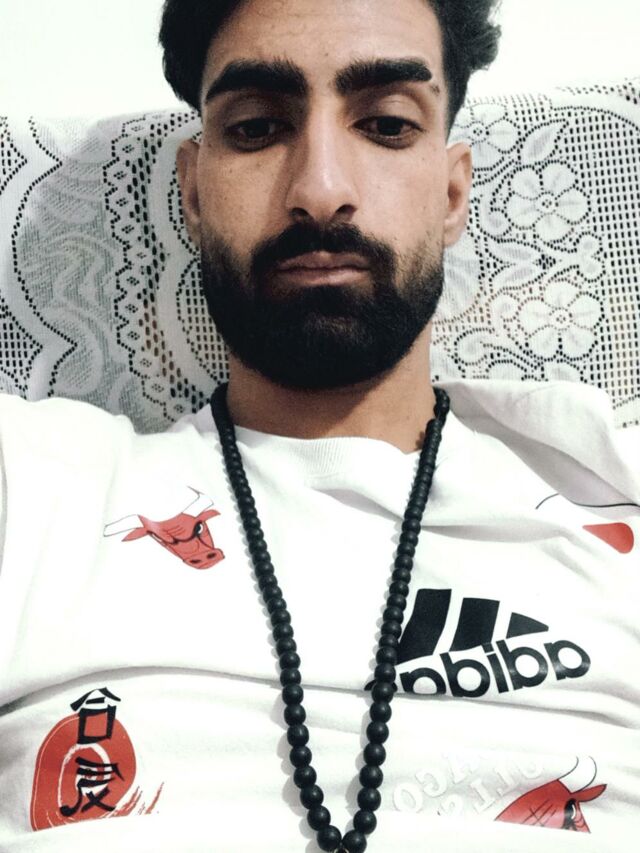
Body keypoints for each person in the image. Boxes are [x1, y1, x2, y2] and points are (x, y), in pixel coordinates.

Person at [0, 1, 638, 851]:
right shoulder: (34, 487)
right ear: (192, 191)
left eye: (386, 124)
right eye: (258, 127)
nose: (320, 189)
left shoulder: (610, 490)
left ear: (453, 193)